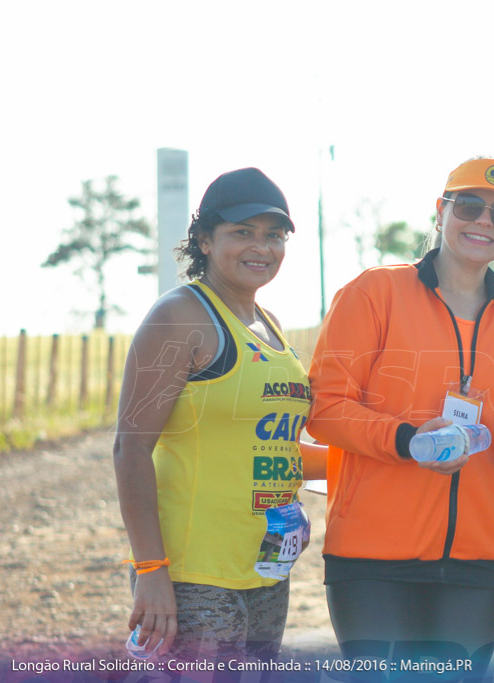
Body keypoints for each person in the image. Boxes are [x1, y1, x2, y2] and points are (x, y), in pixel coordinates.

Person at [307, 157, 494, 679]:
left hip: (479, 563)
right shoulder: (373, 293)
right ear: (441, 211)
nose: (484, 221)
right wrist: (408, 439)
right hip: (372, 559)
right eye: (469, 206)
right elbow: (325, 409)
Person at [113, 167, 324, 662]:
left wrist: (375, 458)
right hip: (194, 573)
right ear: (205, 240)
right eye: (242, 232)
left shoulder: (267, 324)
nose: (261, 247)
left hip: (264, 566)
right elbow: (131, 447)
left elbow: (271, 446)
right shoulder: (180, 316)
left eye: (274, 235)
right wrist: (151, 569)